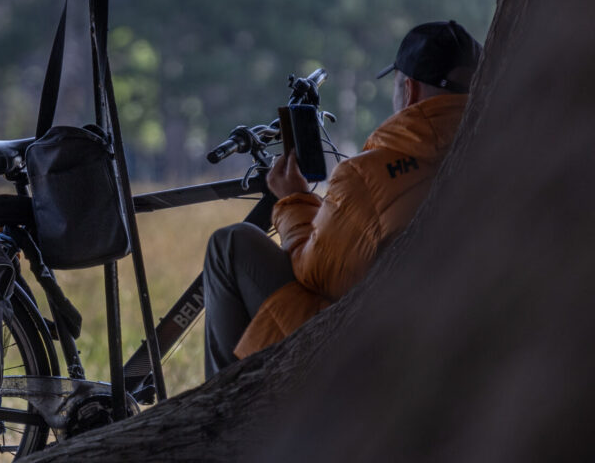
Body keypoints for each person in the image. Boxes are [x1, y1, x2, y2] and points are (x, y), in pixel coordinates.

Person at [203, 20, 483, 377]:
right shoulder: (501, 162)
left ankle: (221, 414)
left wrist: (294, 201)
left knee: (230, 245)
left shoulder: (368, 175)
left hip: (361, 366)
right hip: (451, 359)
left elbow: (318, 274)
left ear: (409, 91)